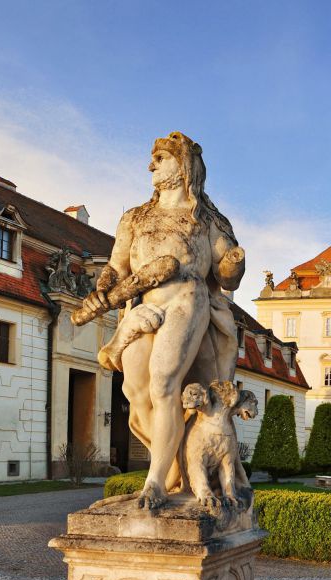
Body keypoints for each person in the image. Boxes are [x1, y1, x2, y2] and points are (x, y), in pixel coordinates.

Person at [81, 132, 246, 510]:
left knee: (164, 381)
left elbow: (225, 275)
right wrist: (103, 288)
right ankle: (176, 462)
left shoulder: (206, 219)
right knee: (136, 393)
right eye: (152, 158)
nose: (151, 165)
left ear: (183, 165)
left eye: (160, 158)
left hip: (187, 299)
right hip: (143, 306)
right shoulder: (135, 217)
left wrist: (234, 263)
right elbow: (116, 265)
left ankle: (154, 481)